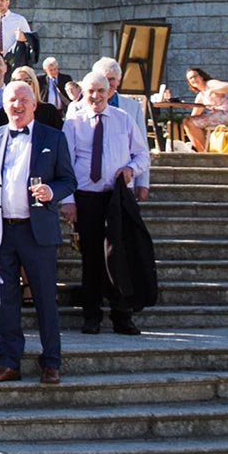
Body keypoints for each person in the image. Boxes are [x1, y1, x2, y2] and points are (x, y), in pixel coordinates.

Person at [0, 82, 76, 385]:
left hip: (37, 232)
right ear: (4, 105)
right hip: (3, 232)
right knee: (6, 301)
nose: (17, 105)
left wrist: (51, 191)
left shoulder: (53, 137)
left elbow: (69, 180)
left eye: (23, 100)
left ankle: (51, 362)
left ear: (34, 104)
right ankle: (9, 362)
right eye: (11, 100)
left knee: (45, 299)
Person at [63, 69, 151, 335]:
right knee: (91, 258)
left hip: (116, 197)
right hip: (86, 197)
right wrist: (68, 201)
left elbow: (142, 155)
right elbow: (64, 164)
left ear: (110, 92)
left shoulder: (123, 119)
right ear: (83, 93)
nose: (96, 96)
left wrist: (131, 170)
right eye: (90, 91)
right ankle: (91, 316)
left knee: (119, 255)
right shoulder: (74, 122)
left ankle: (122, 315)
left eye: (101, 91)